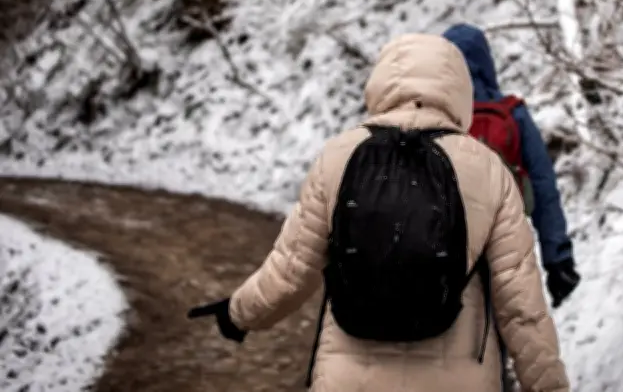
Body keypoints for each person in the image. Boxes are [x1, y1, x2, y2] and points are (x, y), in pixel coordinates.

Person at [188, 33, 571, 392]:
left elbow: (290, 272)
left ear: (381, 81)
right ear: (459, 90)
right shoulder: (488, 170)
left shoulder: (338, 157)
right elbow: (521, 306)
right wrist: (549, 386)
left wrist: (238, 314)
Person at [442, 23, 581, 308]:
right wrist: (558, 257)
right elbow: (543, 186)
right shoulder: (512, 112)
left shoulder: (433, 117)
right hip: (508, 249)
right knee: (515, 333)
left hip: (447, 255)